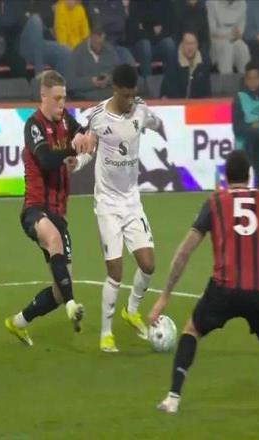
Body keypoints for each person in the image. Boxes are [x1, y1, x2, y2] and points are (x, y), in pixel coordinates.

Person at [149, 150, 259, 413]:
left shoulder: (215, 203)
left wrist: (165, 295)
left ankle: (173, 398)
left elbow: (184, 252)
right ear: (249, 175)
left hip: (224, 288)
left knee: (191, 331)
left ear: (225, 176)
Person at [73, 64, 167, 353]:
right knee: (115, 271)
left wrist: (160, 127)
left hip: (132, 202)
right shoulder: (97, 117)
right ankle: (106, 333)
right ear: (115, 90)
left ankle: (131, 310)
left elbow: (156, 122)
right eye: (125, 95)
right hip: (107, 204)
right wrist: (76, 163)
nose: (129, 101)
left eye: (132, 95)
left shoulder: (140, 109)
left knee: (148, 265)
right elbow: (88, 148)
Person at [5, 71, 92, 346]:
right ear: (43, 96)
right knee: (53, 239)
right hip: (35, 209)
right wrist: (72, 150)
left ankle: (18, 322)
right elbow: (45, 159)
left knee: (59, 289)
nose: (61, 104)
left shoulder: (65, 119)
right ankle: (72, 306)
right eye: (57, 98)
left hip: (58, 213)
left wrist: (85, 138)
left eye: (64, 98)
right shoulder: (33, 125)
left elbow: (82, 132)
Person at [68, 22, 120, 101]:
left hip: (108, 93)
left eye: (101, 42)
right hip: (86, 96)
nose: (99, 45)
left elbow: (120, 76)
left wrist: (108, 79)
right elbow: (70, 83)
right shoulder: (78, 53)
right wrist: (91, 82)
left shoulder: (110, 50)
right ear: (90, 37)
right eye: (96, 41)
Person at [160, 32, 211, 99]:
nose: (190, 47)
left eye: (193, 43)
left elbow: (207, 92)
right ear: (182, 44)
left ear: (197, 45)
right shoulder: (172, 61)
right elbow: (169, 91)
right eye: (187, 43)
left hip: (197, 103)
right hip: (176, 102)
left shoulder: (204, 62)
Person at [206, 0, 251, 74]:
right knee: (227, 47)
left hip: (233, 39)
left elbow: (240, 29)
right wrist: (230, 32)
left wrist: (231, 34)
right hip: (216, 40)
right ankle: (227, 78)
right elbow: (212, 30)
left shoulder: (242, 3)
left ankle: (246, 77)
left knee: (243, 48)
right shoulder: (211, 3)